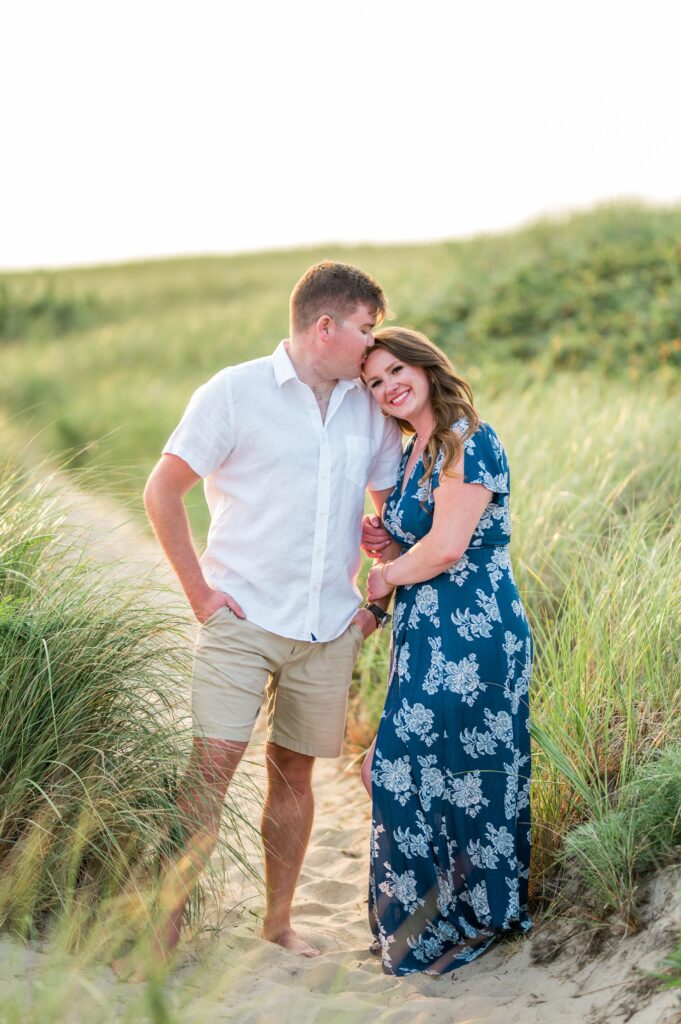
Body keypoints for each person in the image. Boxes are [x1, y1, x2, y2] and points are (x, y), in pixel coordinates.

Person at [115, 261, 403, 979]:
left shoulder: (365, 407)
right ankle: (162, 934)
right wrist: (200, 595)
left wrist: (372, 602)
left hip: (327, 629)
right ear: (324, 326)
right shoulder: (234, 392)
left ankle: (276, 925)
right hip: (240, 619)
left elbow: (390, 511)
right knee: (208, 775)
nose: (372, 347)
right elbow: (162, 492)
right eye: (366, 330)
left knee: (295, 777)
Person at [359, 326, 532, 976]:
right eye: (374, 381)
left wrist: (383, 577)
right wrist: (388, 544)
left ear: (426, 366)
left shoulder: (469, 439)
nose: (387, 386)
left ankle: (474, 918)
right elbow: (418, 544)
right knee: (413, 768)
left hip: (476, 629)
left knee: (451, 770)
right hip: (425, 634)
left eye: (395, 369)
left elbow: (448, 547)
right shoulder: (412, 452)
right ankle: (426, 926)